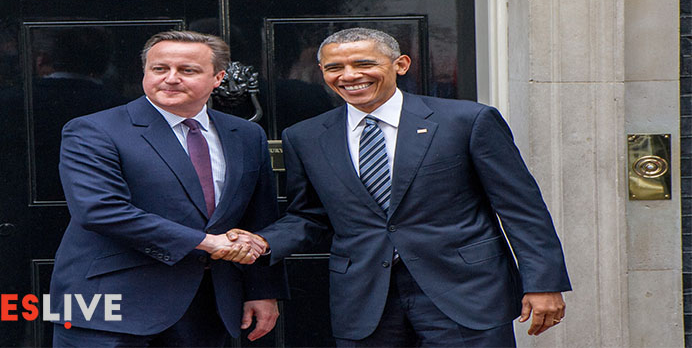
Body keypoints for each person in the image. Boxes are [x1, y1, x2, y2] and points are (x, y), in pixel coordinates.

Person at [227, 28, 571, 347]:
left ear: (400, 64)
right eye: (335, 68)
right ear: (322, 72)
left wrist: (543, 282)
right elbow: (310, 215)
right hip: (365, 299)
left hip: (465, 292)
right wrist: (264, 241)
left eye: (364, 63)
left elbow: (521, 208)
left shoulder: (468, 121)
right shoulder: (304, 137)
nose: (349, 76)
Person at [49, 30, 288, 347]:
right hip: (107, 307)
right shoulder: (93, 130)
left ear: (218, 77)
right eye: (160, 69)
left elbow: (260, 216)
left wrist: (262, 291)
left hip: (208, 308)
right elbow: (100, 211)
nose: (171, 79)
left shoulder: (245, 135)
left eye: (187, 70)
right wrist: (208, 243)